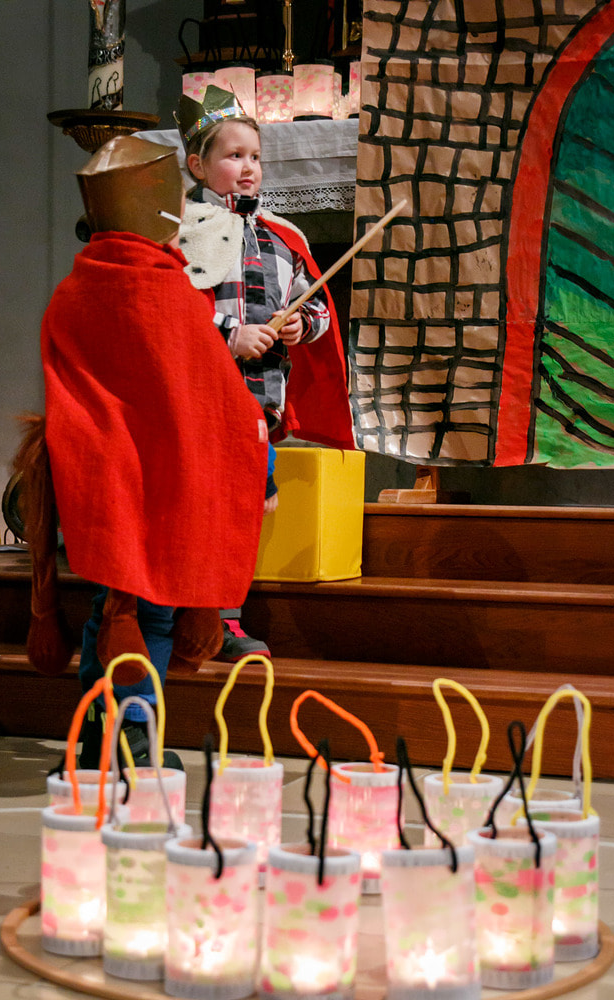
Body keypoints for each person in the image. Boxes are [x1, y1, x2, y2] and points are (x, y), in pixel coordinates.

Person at [16, 136, 268, 767]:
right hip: (158, 483)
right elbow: (209, 396)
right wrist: (250, 445)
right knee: (151, 610)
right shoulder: (167, 293)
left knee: (109, 604)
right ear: (159, 207)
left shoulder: (73, 291)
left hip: (94, 482)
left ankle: (93, 735)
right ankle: (133, 733)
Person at [174, 85, 356, 661]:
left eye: (255, 156)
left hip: (260, 400)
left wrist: (305, 325)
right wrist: (230, 336)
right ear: (198, 165)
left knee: (243, 511)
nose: (248, 167)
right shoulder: (186, 233)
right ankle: (187, 613)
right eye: (233, 156)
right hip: (205, 400)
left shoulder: (282, 237)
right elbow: (173, 314)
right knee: (203, 508)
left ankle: (224, 616)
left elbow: (314, 301)